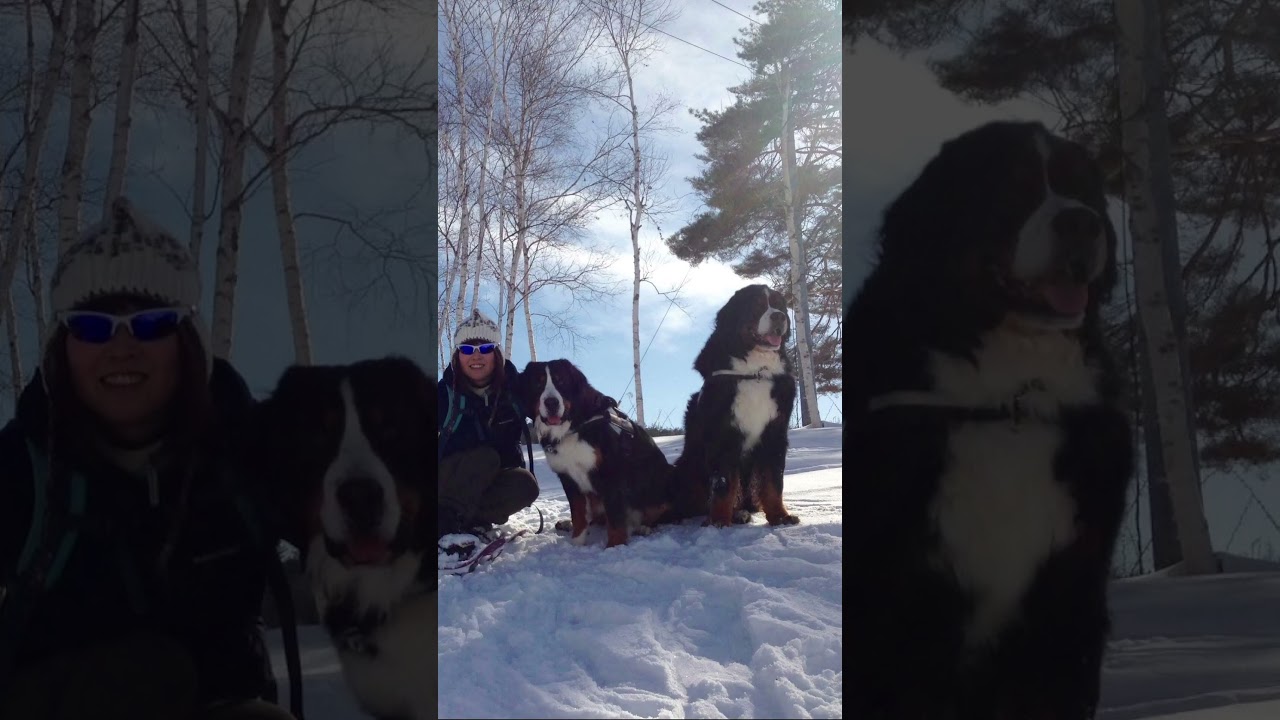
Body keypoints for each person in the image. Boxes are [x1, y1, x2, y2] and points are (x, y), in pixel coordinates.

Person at [0, 198, 296, 720]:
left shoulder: (251, 453)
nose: (120, 346)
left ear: (188, 341)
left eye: (151, 323)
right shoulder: (19, 474)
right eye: (92, 327)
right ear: (60, 348)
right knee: (154, 672)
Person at [437, 310, 539, 546]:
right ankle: (442, 523)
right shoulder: (443, 395)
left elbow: (558, 407)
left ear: (496, 353)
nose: (476, 356)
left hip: (490, 483)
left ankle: (464, 522)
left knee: (525, 485)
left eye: (484, 349)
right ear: (457, 355)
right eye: (466, 349)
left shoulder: (517, 390)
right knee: (485, 457)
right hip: (446, 480)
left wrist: (596, 405)